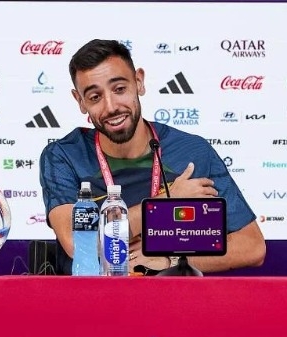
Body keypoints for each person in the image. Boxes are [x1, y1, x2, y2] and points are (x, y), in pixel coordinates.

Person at [39, 39, 265, 275]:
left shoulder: (192, 151)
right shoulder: (63, 156)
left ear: (139, 82)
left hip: (169, 296)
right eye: (95, 97)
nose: (111, 107)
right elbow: (76, 243)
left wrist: (170, 258)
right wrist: (166, 201)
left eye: (119, 89)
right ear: (80, 101)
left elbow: (252, 247)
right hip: (92, 295)